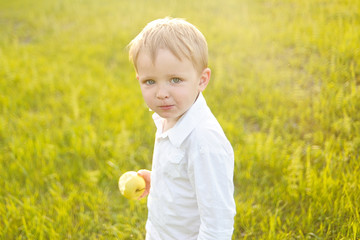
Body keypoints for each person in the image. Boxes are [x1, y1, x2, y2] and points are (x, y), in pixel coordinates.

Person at [128, 17, 236, 240]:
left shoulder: (204, 142)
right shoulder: (171, 116)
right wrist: (160, 180)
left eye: (175, 80)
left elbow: (218, 223)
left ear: (202, 80)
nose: (161, 93)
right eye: (150, 81)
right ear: (138, 79)